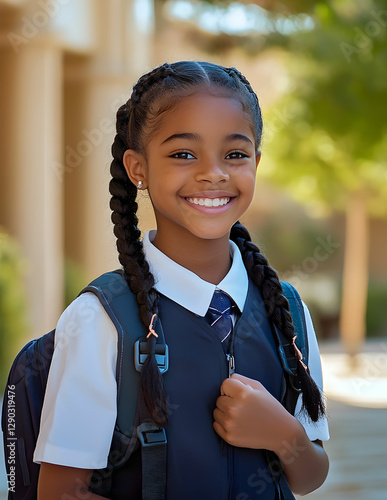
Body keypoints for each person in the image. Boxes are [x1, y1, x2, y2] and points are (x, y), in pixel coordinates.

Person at [34, 61, 330, 499]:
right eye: (183, 154)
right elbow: (60, 492)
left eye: (235, 154)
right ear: (138, 168)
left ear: (257, 162)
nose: (214, 173)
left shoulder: (285, 310)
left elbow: (310, 476)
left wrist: (285, 435)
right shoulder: (100, 320)